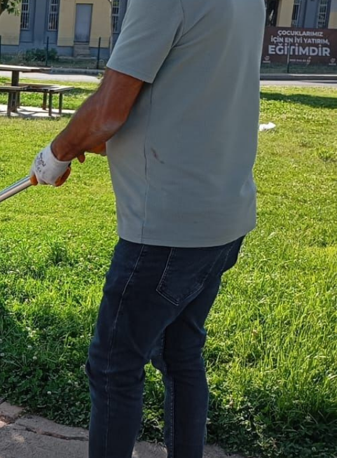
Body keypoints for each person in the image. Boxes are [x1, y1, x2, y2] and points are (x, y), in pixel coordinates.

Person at [29, 0, 266, 456]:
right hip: (224, 215)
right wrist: (95, 142)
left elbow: (108, 112)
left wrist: (57, 152)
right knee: (180, 354)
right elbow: (187, 97)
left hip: (168, 229)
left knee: (114, 364)